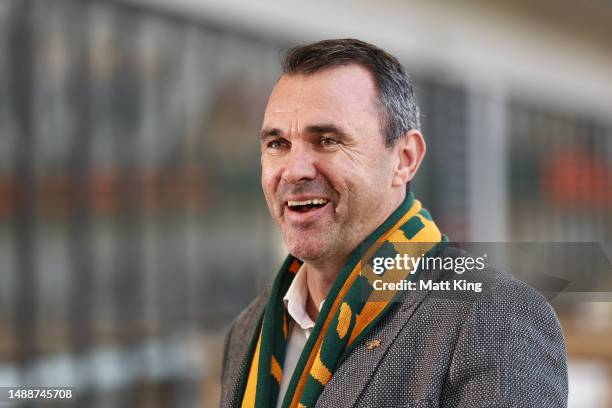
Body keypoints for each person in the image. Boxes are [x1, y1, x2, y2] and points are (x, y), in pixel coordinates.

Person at [220, 39, 568, 408]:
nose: (294, 170)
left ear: (404, 159)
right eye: (277, 144)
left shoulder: (495, 315)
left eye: (326, 140)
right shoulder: (249, 329)